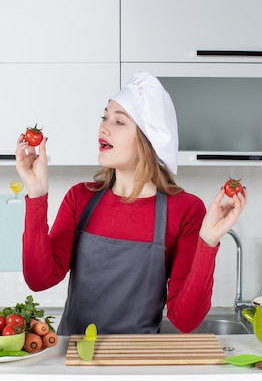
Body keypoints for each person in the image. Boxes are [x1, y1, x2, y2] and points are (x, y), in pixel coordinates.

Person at [14, 72, 247, 335]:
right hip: (75, 358)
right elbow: (38, 279)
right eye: (105, 117)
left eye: (119, 122)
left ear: (148, 139)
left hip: (138, 360)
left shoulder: (185, 210)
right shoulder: (80, 198)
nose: (104, 127)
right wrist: (36, 193)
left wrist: (208, 243)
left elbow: (185, 320)